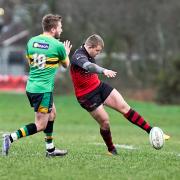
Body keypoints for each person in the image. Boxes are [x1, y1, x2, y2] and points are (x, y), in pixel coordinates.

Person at [70, 34, 170, 155]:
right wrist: (104, 70)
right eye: (97, 50)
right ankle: (111, 149)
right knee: (105, 122)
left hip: (99, 86)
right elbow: (89, 66)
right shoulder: (78, 56)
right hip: (86, 96)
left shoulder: (89, 51)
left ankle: (151, 131)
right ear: (90, 46)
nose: (98, 53)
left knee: (124, 107)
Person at [2, 14, 72, 157]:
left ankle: (50, 149)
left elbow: (31, 63)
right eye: (60, 27)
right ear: (53, 29)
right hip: (43, 90)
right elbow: (66, 65)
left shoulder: (31, 42)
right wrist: (66, 53)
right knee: (41, 125)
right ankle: (10, 138)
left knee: (52, 114)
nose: (61, 30)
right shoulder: (58, 45)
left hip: (31, 86)